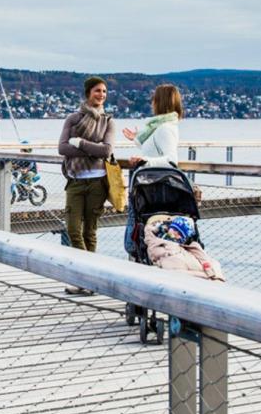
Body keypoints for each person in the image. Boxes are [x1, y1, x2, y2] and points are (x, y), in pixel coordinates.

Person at [58, 76, 116, 294]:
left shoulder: (108, 121)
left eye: (104, 91)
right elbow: (62, 148)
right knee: (73, 229)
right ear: (88, 93)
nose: (101, 95)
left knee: (90, 231)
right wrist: (94, 148)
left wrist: (80, 143)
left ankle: (87, 283)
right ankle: (88, 276)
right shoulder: (73, 118)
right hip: (75, 181)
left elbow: (106, 150)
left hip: (98, 182)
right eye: (97, 91)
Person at [123, 84, 183, 168]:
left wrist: (146, 161)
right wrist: (137, 137)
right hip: (153, 179)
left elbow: (172, 161)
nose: (152, 102)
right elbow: (155, 151)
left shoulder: (165, 128)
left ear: (160, 102)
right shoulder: (160, 126)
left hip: (158, 180)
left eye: (154, 98)